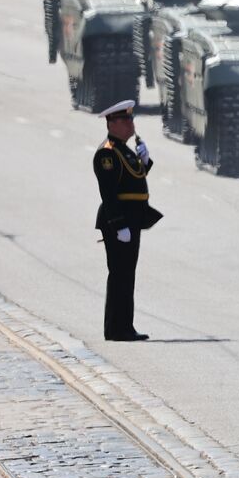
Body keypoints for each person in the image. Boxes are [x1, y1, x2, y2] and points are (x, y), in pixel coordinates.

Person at [92, 100, 162, 341]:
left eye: (131, 119)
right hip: (119, 220)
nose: (131, 124)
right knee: (120, 274)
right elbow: (110, 193)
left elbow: (134, 177)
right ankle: (116, 328)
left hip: (132, 218)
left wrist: (146, 162)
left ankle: (125, 326)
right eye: (126, 120)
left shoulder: (124, 149)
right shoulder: (107, 154)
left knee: (127, 274)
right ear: (112, 123)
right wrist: (119, 224)